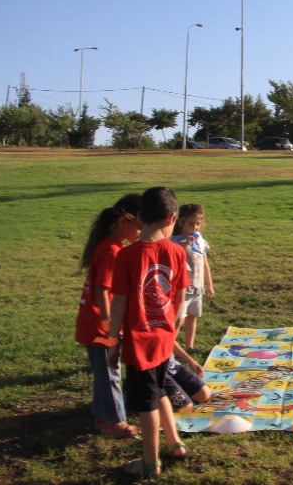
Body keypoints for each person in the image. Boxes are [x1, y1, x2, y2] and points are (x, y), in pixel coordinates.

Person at [103, 187, 190, 478]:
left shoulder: (127, 256)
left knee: (146, 403)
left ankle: (150, 463)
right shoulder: (178, 251)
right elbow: (180, 297)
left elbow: (120, 302)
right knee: (160, 388)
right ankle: (175, 443)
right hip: (164, 339)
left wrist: (112, 342)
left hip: (141, 345)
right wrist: (173, 329)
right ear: (172, 218)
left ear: (140, 217)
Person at [73, 193, 142, 439]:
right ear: (124, 221)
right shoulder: (112, 251)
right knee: (111, 373)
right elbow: (102, 290)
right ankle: (114, 422)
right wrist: (108, 325)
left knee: (104, 372)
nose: (141, 233)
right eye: (139, 227)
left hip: (94, 323)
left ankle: (101, 417)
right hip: (98, 325)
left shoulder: (112, 246)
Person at [169, 203, 214, 354]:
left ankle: (189, 346)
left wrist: (209, 285)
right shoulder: (175, 241)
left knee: (192, 316)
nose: (195, 227)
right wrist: (184, 245)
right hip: (182, 288)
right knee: (179, 318)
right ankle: (169, 346)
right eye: (191, 224)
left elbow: (205, 263)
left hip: (197, 286)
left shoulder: (201, 241)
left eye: (198, 224)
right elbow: (172, 260)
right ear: (181, 223)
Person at [165, 344, 212, 412]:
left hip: (173, 366)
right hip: (159, 373)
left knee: (205, 394)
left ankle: (179, 391)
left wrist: (191, 361)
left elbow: (171, 341)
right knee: (185, 407)